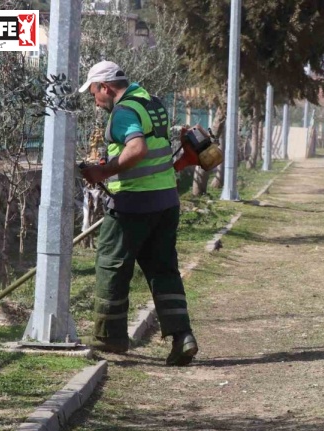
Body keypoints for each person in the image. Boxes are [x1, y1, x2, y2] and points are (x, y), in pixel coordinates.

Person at [78, 60, 198, 366]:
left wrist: (103, 171)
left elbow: (137, 149)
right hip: (166, 200)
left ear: (104, 87)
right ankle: (182, 336)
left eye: (94, 93)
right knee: (163, 269)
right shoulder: (150, 101)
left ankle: (110, 338)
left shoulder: (123, 112)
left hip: (134, 204)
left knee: (111, 265)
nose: (95, 100)